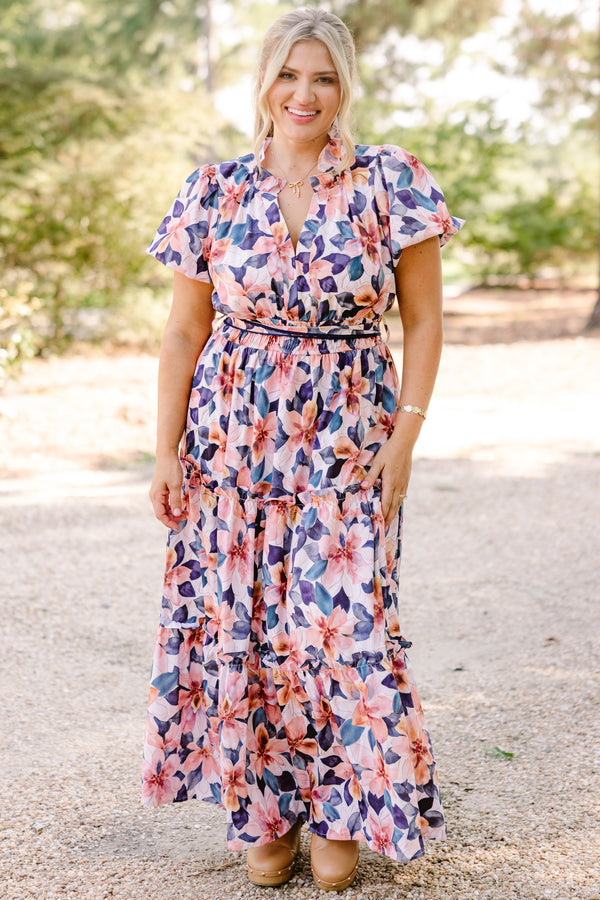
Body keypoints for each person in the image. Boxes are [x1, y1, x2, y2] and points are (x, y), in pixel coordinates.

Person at [142, 6, 463, 892]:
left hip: (349, 442)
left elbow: (426, 321)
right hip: (230, 446)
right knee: (245, 625)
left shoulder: (390, 181)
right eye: (289, 74)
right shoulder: (213, 190)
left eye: (323, 77)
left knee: (343, 626)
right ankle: (266, 809)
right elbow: (183, 331)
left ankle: (343, 811)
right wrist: (164, 451)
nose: (304, 94)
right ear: (265, 82)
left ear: (344, 86)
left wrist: (407, 434)